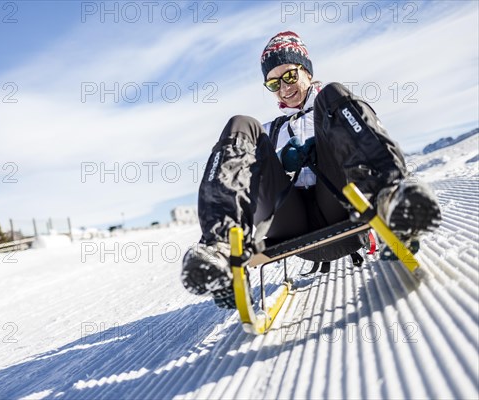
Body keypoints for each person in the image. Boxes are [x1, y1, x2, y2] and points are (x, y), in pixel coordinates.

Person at [181, 31, 441, 308]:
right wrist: (278, 161)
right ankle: (222, 250)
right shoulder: (269, 132)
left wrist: (326, 147)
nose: (284, 88)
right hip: (290, 223)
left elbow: (360, 132)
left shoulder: (332, 111)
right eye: (274, 83)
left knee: (334, 93)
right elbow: (239, 178)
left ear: (305, 71)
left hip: (341, 207)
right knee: (240, 124)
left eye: (289, 76)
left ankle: (392, 199)